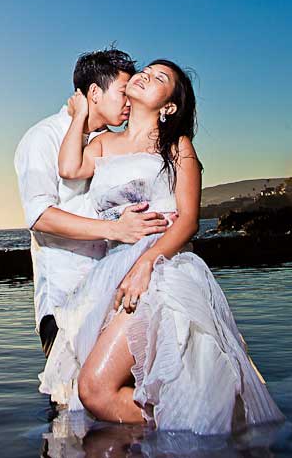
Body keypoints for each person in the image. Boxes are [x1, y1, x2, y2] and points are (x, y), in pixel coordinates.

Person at [39, 60, 284, 435]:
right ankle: (188, 426)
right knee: (105, 391)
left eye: (159, 78)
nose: (144, 76)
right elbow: (70, 169)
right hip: (113, 271)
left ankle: (200, 424)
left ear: (168, 106)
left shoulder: (177, 146)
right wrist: (80, 115)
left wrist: (145, 267)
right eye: (146, 71)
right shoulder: (103, 143)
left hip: (159, 270)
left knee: (94, 390)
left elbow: (187, 221)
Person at [14, 48, 175, 358]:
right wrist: (114, 229)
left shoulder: (110, 142)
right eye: (122, 92)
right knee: (71, 399)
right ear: (94, 93)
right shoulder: (43, 138)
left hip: (114, 290)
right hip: (65, 297)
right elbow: (40, 216)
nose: (129, 101)